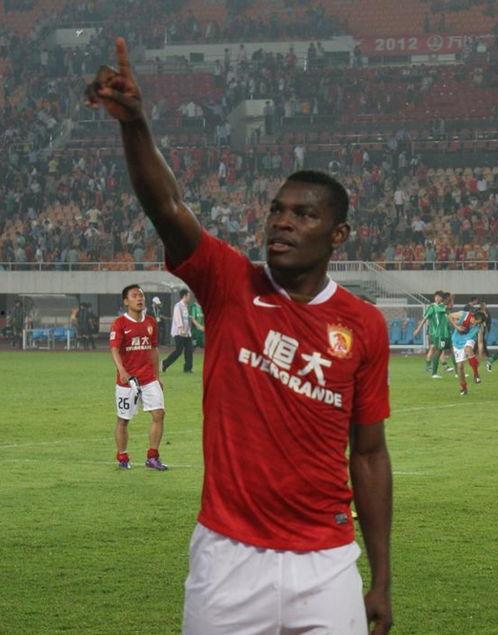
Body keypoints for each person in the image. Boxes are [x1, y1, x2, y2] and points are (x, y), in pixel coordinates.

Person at [86, 38, 392, 634]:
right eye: (276, 210)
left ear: (338, 235)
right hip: (226, 557)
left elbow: (370, 453)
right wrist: (135, 124)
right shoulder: (229, 282)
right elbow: (167, 206)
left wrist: (380, 578)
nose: (282, 222)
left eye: (303, 214)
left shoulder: (363, 325)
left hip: (327, 563)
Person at [109, 284, 167, 471]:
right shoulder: (119, 323)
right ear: (126, 301)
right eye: (134, 296)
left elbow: (153, 349)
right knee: (123, 420)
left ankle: (152, 457)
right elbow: (114, 350)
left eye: (141, 295)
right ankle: (122, 456)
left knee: (159, 414)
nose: (139, 298)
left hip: (149, 378)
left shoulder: (151, 322)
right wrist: (122, 372)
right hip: (128, 382)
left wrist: (157, 376)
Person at [448, 309, 486, 395]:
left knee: (468, 349)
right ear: (473, 317)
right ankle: (463, 386)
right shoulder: (463, 315)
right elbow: (449, 315)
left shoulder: (480, 327)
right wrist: (457, 327)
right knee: (460, 367)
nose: (476, 324)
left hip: (469, 339)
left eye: (478, 323)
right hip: (457, 341)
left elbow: (480, 342)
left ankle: (476, 374)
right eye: (475, 322)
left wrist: (480, 356)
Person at [413, 290, 446, 378]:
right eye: (436, 296)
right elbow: (424, 319)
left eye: (439, 297)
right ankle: (439, 368)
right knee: (438, 349)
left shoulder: (443, 307)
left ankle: (430, 366)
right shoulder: (432, 307)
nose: (437, 298)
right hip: (433, 333)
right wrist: (418, 329)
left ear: (442, 298)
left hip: (441, 333)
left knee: (433, 348)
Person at [161, 288, 193, 373]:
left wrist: (188, 331)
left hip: (187, 333)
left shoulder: (186, 306)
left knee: (189, 350)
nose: (189, 297)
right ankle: (165, 363)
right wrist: (181, 329)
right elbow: (178, 318)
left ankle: (188, 369)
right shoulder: (178, 306)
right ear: (184, 296)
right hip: (179, 333)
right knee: (178, 351)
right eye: (188, 295)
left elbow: (186, 320)